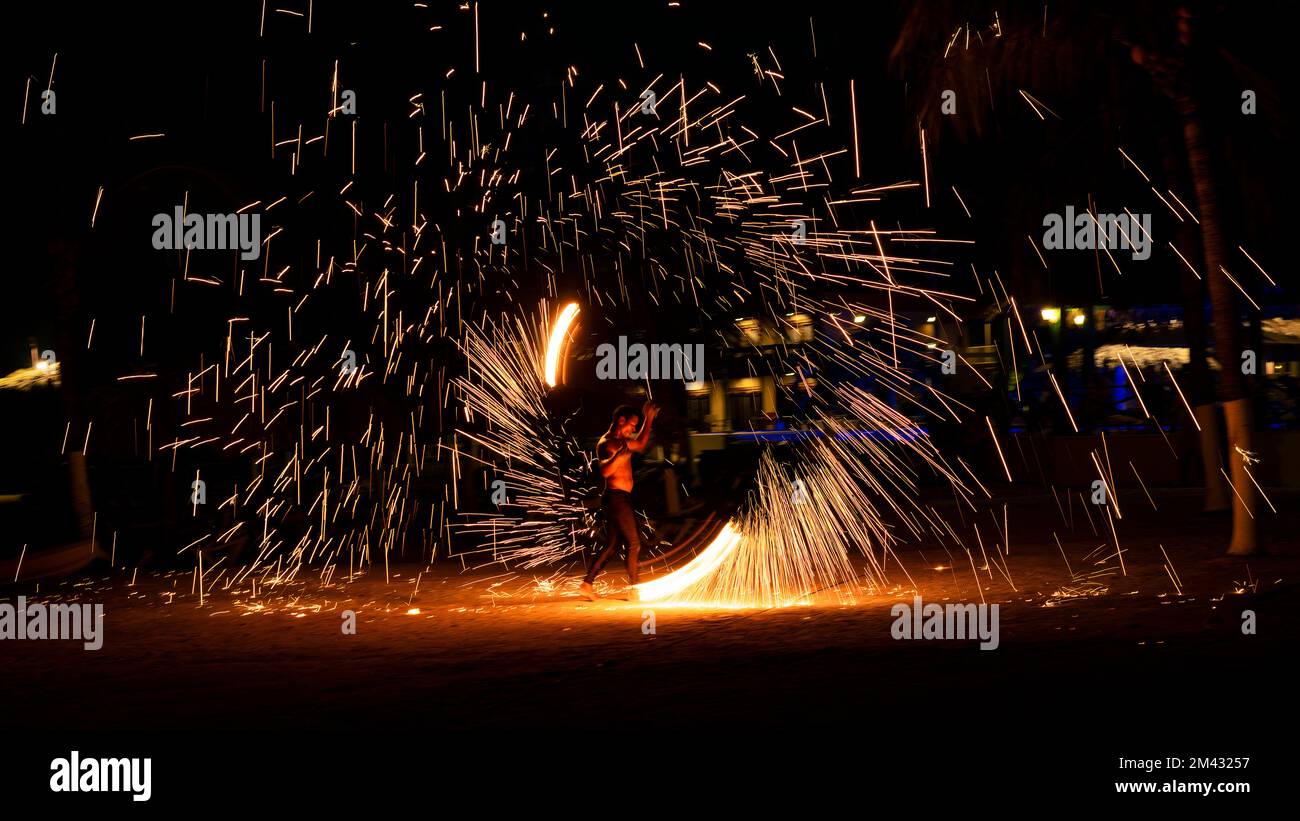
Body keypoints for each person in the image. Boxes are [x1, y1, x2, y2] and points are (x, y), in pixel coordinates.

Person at [579, 400, 659, 601]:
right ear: (620, 421)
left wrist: (647, 419)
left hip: (617, 499)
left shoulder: (617, 442)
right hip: (616, 499)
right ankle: (634, 589)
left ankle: (587, 583)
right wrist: (648, 419)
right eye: (632, 425)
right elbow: (605, 470)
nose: (633, 429)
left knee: (612, 545)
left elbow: (639, 444)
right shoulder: (610, 443)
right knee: (634, 543)